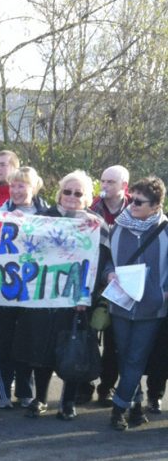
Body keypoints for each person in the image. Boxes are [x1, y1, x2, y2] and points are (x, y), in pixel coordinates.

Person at [14, 170, 109, 421]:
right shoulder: (43, 218)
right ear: (59, 193)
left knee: (72, 350)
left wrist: (87, 295)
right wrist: (11, 221)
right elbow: (24, 250)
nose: (72, 196)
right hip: (44, 299)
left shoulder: (96, 225)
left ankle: (68, 402)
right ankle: (41, 398)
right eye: (67, 191)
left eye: (79, 193)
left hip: (77, 302)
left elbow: (103, 263)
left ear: (88, 198)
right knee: (41, 350)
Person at [105, 176, 168, 430]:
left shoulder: (165, 231)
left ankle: (118, 409)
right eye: (132, 199)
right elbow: (107, 259)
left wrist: (162, 296)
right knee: (125, 357)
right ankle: (136, 406)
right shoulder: (118, 226)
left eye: (139, 202)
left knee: (135, 359)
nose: (132, 204)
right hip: (120, 305)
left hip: (151, 310)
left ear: (155, 206)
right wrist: (108, 273)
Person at [0, 167, 46, 409]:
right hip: (4, 288)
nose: (15, 190)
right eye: (13, 185)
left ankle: (26, 391)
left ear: (33, 187)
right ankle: (2, 392)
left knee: (28, 339)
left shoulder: (47, 213)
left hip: (33, 290)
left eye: (21, 185)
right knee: (4, 340)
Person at [90, 165, 130, 406]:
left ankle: (107, 386)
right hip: (94, 280)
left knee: (114, 340)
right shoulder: (92, 207)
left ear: (124, 186)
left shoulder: (135, 210)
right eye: (103, 181)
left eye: (111, 182)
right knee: (88, 335)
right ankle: (84, 383)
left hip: (121, 284)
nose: (105, 186)